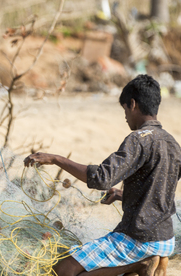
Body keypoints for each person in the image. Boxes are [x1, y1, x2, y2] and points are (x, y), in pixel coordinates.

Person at [24, 74, 181, 276]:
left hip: (140, 238)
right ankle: (138, 264)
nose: (125, 117)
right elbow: (159, 193)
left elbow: (101, 178)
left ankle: (138, 264)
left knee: (62, 270)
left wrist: (56, 159)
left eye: (125, 109)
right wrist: (123, 195)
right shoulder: (172, 144)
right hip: (166, 240)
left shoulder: (138, 139)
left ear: (132, 104)